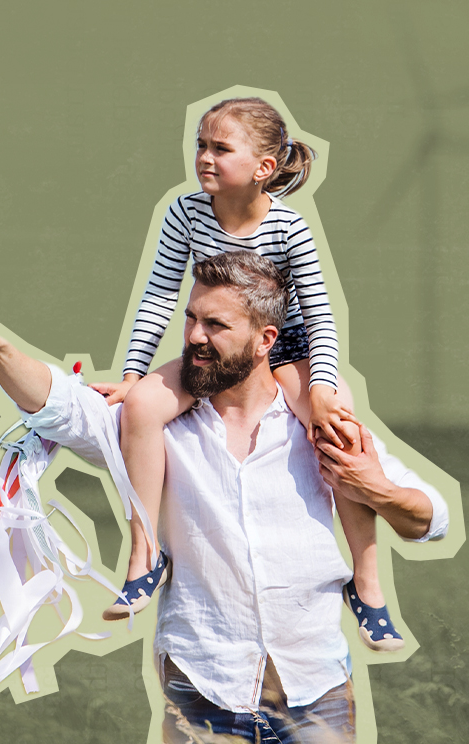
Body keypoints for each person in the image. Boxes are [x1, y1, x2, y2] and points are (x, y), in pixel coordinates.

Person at [0, 250, 448, 744]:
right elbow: (61, 407)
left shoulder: (317, 422)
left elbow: (429, 518)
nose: (195, 338)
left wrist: (373, 486)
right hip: (202, 685)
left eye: (216, 325)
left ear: (266, 339)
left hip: (315, 689)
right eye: (191, 320)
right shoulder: (150, 426)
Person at [88, 97, 399, 652]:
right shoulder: (185, 212)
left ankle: (369, 587)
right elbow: (159, 296)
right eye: (200, 146)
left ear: (263, 167)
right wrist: (135, 374)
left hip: (289, 348)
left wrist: (323, 388)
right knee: (140, 409)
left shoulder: (289, 227)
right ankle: (143, 555)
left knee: (341, 431)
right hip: (214, 350)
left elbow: (322, 312)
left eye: (220, 148)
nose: (204, 158)